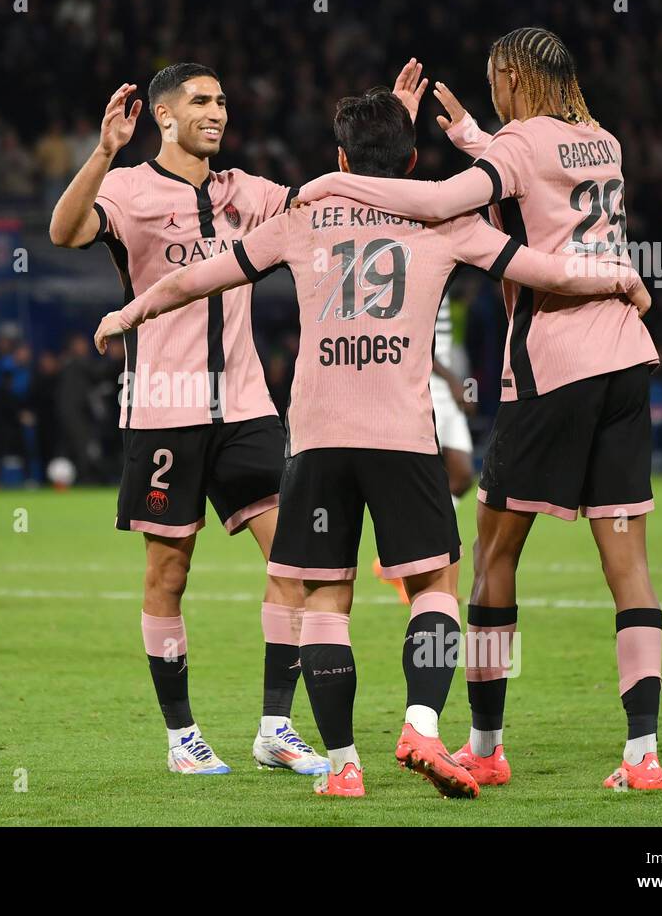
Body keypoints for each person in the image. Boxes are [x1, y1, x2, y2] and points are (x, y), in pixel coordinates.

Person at [95, 88, 649, 798]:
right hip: (401, 437)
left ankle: (346, 765)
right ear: (415, 159)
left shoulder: (301, 219)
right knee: (435, 586)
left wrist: (128, 312)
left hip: (319, 440)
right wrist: (619, 276)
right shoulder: (445, 220)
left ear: (339, 158)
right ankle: (421, 721)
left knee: (326, 597)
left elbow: (197, 277)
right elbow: (540, 268)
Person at [297, 28, 662, 791]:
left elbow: (438, 200)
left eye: (496, 80)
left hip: (554, 365)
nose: (491, 92)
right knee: (628, 565)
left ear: (512, 77)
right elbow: (541, 186)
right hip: (627, 360)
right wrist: (471, 136)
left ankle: (486, 743)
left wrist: (334, 184)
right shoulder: (604, 141)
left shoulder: (520, 144)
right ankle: (643, 756)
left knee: (494, 558)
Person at [50, 62, 429, 775]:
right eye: (200, 101)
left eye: (222, 99)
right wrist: (102, 152)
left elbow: (339, 200)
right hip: (164, 408)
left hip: (250, 407)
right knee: (169, 573)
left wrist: (391, 140)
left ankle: (275, 727)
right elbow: (65, 230)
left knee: (294, 562)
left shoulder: (247, 193)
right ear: (164, 116)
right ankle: (180, 737)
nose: (217, 111)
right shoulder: (127, 189)